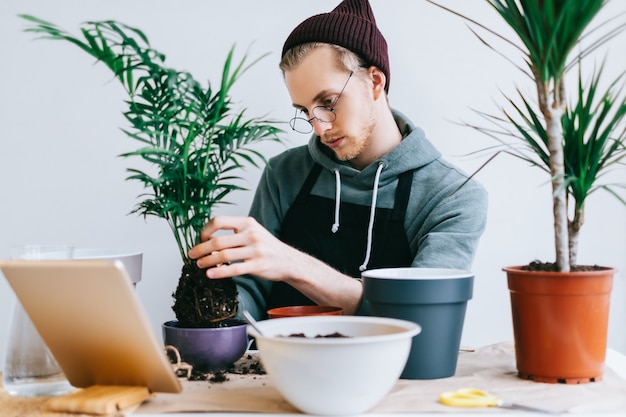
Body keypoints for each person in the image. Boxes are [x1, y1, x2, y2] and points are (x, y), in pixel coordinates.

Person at [188, 0, 488, 319]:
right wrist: (212, 303)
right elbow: (251, 292)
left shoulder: (453, 197)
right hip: (279, 366)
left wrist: (294, 265)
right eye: (304, 112)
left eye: (328, 102)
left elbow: (422, 319)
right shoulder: (283, 174)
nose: (319, 127)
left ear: (375, 82)